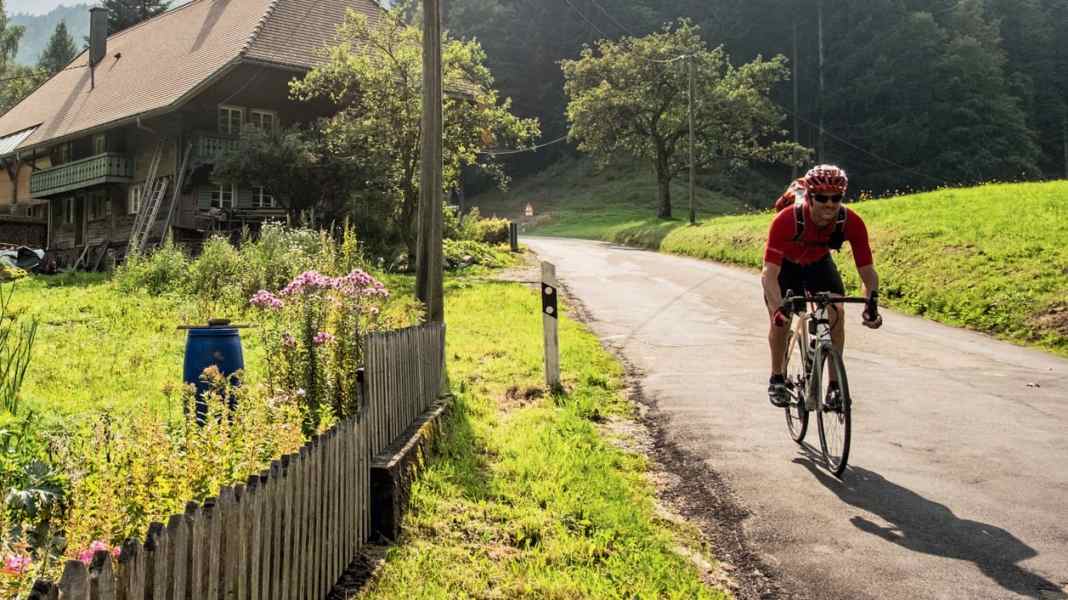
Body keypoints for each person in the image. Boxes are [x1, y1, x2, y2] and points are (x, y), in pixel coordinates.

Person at [763, 165, 882, 408]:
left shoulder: (851, 222)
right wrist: (778, 309)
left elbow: (867, 272)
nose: (830, 204)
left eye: (836, 198)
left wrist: (872, 304)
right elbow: (769, 274)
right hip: (787, 267)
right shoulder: (786, 220)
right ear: (808, 197)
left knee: (837, 311)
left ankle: (834, 386)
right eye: (822, 198)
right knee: (782, 321)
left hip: (819, 263)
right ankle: (777, 377)